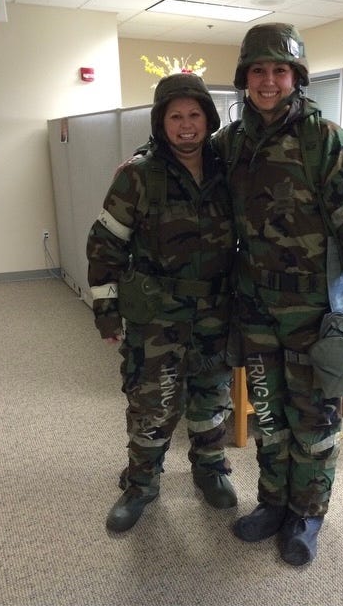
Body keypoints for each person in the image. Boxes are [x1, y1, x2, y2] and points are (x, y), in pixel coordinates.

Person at [213, 23, 343, 566]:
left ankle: (307, 514)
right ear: (245, 77)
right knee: (269, 416)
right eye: (258, 70)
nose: (269, 80)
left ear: (296, 77)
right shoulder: (232, 144)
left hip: (313, 313)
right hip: (255, 309)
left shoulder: (328, 142)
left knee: (313, 419)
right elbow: (184, 164)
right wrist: (137, 161)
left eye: (280, 70)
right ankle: (271, 503)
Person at [86, 73, 238, 533]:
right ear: (161, 121)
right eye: (176, 116)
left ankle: (210, 469)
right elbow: (105, 244)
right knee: (152, 402)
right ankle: (141, 484)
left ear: (208, 118)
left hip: (214, 310)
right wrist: (107, 311)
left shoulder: (227, 169)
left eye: (195, 114)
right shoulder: (138, 175)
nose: (186, 125)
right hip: (156, 314)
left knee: (211, 397)